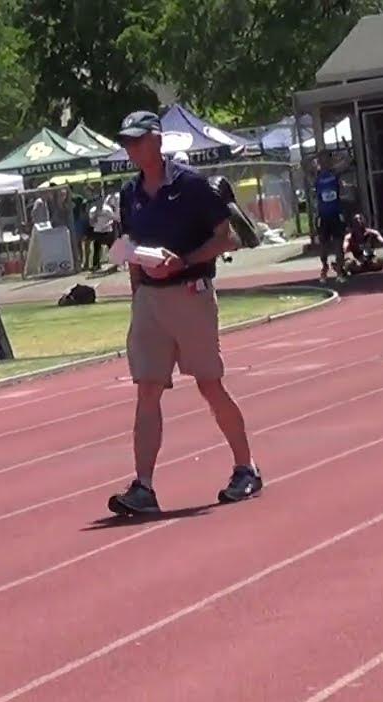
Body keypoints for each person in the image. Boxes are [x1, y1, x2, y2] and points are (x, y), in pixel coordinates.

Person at [106, 111, 261, 516]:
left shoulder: (192, 185)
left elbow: (228, 238)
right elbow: (131, 241)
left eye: (138, 141)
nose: (132, 149)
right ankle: (144, 487)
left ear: (157, 140)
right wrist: (136, 288)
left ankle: (246, 468)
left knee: (209, 385)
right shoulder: (129, 192)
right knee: (147, 389)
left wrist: (185, 260)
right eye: (127, 142)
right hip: (149, 301)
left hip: (190, 295)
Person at [312, 155, 347, 281]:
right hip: (323, 216)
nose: (325, 162)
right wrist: (314, 159)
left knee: (338, 245)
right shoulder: (316, 176)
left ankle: (339, 272)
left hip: (336, 214)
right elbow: (303, 164)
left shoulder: (335, 173)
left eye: (327, 159)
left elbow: (347, 162)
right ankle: (324, 268)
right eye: (322, 160)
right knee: (323, 246)